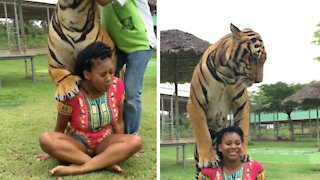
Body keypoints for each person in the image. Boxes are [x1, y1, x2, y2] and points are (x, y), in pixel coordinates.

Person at [36, 42, 143, 176]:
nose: (109, 78)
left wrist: (123, 145)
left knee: (136, 141)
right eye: (103, 75)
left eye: (111, 72)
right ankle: (104, 163)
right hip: (78, 143)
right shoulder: (71, 93)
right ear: (87, 74)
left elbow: (119, 122)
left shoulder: (117, 86)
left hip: (105, 142)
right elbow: (60, 128)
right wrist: (51, 150)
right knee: (46, 139)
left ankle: (80, 168)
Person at [97, 0, 156, 135]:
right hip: (117, 45)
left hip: (140, 44)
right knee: (98, 82)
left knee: (131, 93)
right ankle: (102, 129)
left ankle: (131, 136)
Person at [198, 126, 266, 180]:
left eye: (237, 143)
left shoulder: (255, 168)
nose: (233, 147)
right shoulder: (208, 173)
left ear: (242, 146)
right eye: (228, 143)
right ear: (220, 147)